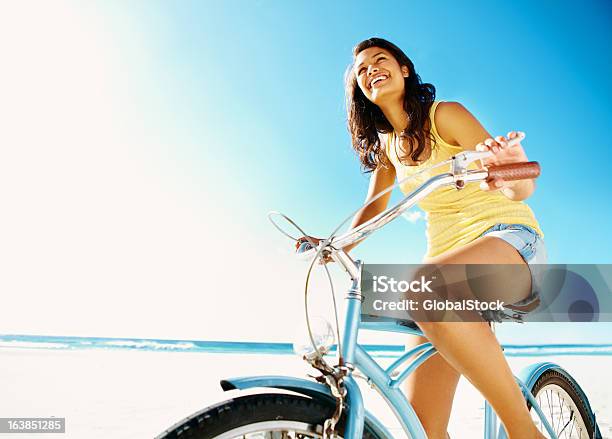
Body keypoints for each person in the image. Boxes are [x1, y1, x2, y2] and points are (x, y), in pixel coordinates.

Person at [299, 37, 547, 439]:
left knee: (420, 287)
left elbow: (511, 182)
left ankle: (525, 433)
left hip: (509, 242)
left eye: (380, 61)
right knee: (425, 429)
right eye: (361, 70)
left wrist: (510, 169)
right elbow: (373, 207)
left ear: (404, 70)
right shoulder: (386, 148)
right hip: (445, 273)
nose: (370, 70)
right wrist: (334, 244)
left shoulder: (444, 115)